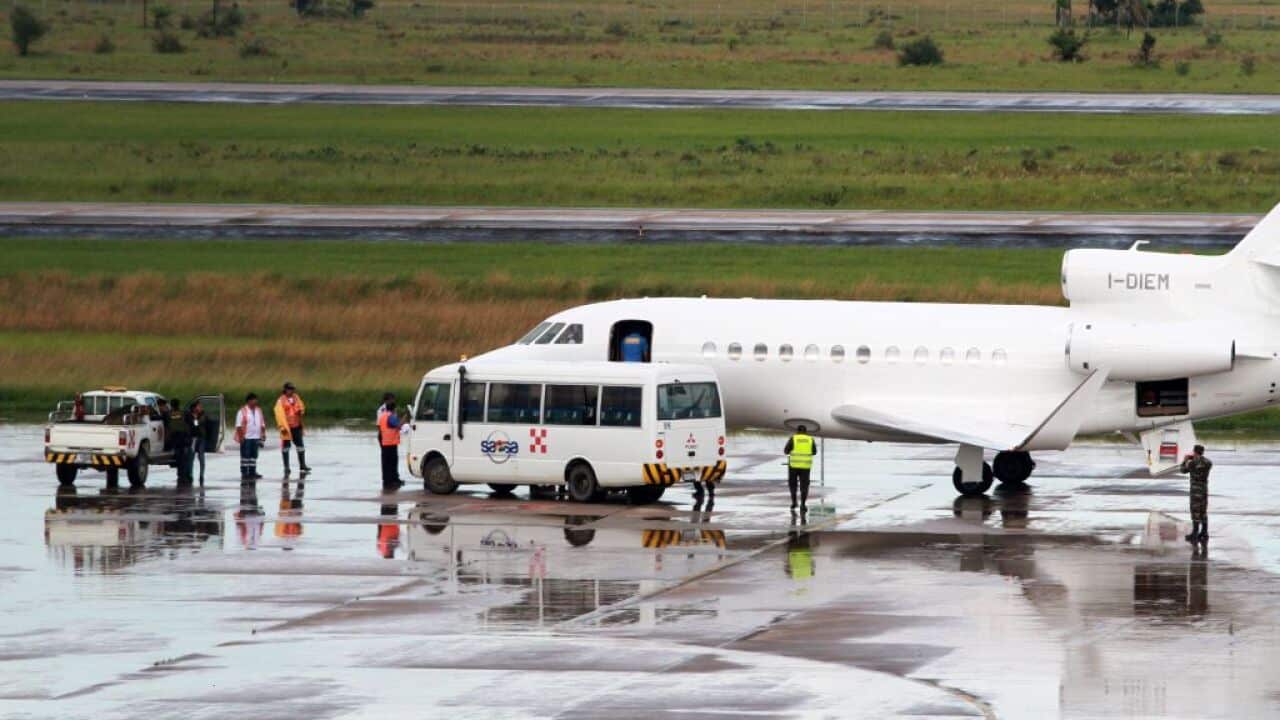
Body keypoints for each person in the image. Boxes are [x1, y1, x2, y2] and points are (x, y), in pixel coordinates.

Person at [275, 382, 310, 476]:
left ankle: (302, 465)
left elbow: (301, 406)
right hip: (286, 427)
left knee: (300, 446)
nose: (292, 391)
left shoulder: (296, 397)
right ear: (285, 389)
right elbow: (278, 415)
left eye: (293, 389)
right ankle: (286, 467)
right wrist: (282, 427)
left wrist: (301, 411)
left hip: (297, 425)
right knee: (285, 448)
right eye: (290, 389)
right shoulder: (280, 400)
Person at [1179, 444, 1212, 543]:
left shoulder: (1192, 463)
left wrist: (1185, 460)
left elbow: (1183, 470)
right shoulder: (1208, 462)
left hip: (1195, 490)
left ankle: (1195, 532)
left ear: (1194, 452)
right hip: (1204, 489)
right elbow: (1203, 463)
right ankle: (1204, 532)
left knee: (1195, 511)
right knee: (1203, 511)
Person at [784, 425, 817, 513]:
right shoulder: (810, 439)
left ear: (797, 431)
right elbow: (814, 452)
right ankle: (803, 504)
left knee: (793, 485)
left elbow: (786, 451)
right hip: (805, 466)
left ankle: (794, 502)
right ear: (806, 432)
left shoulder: (793, 438)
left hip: (793, 466)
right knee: (804, 486)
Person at [236, 393, 266, 481]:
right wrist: (241, 437)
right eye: (254, 400)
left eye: (256, 400)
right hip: (246, 437)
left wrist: (263, 435)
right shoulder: (242, 411)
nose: (256, 401)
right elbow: (238, 426)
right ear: (249, 401)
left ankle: (252, 472)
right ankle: (245, 473)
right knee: (245, 456)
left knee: (254, 456)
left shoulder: (258, 410)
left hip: (256, 437)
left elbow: (262, 423)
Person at [191, 399, 218, 485]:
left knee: (201, 457)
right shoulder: (192, 415)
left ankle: (201, 475)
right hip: (194, 438)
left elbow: (196, 424)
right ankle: (190, 474)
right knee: (191, 456)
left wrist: (195, 418)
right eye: (198, 406)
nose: (200, 408)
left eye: (200, 406)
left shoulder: (203, 415)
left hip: (201, 438)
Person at [378, 399, 404, 488]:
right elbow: (398, 426)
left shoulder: (383, 416)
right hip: (391, 443)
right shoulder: (391, 417)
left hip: (385, 442)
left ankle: (388, 481)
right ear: (394, 409)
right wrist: (405, 418)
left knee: (386, 464)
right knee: (392, 463)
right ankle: (391, 481)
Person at [169, 397, 192, 483]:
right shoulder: (185, 413)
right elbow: (191, 424)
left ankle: (180, 475)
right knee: (185, 458)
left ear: (171, 405)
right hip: (185, 438)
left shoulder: (169, 414)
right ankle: (185, 476)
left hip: (175, 439)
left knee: (179, 458)